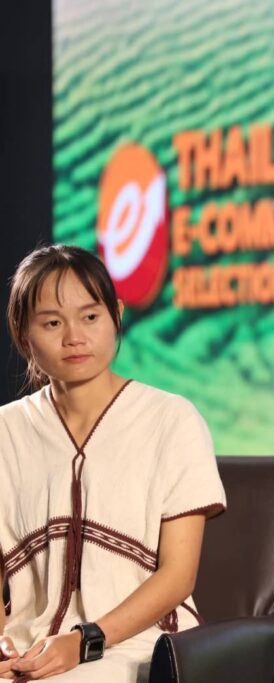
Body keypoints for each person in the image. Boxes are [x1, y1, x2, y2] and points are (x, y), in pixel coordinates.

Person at [0, 245, 225, 682]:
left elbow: (178, 576)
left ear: (116, 315)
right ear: (23, 333)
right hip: (29, 647)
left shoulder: (172, 420)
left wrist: (84, 640)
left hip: (140, 647)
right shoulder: (7, 430)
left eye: (90, 317)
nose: (74, 337)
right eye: (52, 323)